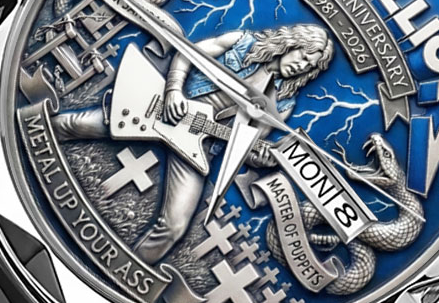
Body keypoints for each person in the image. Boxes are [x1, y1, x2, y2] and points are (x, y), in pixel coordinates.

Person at [53, 23, 333, 264]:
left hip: (198, 147)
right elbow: (186, 53)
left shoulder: (283, 103)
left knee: (174, 227)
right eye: (304, 56)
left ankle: (122, 273)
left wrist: (259, 156)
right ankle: (37, 124)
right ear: (292, 43)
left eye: (309, 67)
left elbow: (245, 145)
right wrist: (174, 90)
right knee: (74, 125)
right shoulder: (242, 42)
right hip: (162, 108)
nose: (301, 66)